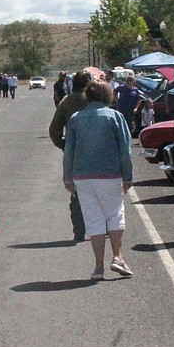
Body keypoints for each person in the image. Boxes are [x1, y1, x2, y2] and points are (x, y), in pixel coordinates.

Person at [62, 79, 134, 280]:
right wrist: (128, 176)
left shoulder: (76, 118)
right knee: (114, 214)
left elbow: (69, 151)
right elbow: (125, 150)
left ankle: (98, 267)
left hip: (83, 176)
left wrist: (68, 177)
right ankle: (118, 257)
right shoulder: (115, 117)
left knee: (94, 220)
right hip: (110, 174)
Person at [50, 70, 93, 241]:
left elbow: (54, 130)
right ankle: (102, 228)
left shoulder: (67, 102)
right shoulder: (94, 100)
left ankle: (79, 230)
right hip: (98, 149)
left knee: (77, 193)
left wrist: (63, 144)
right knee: (99, 189)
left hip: (74, 150)